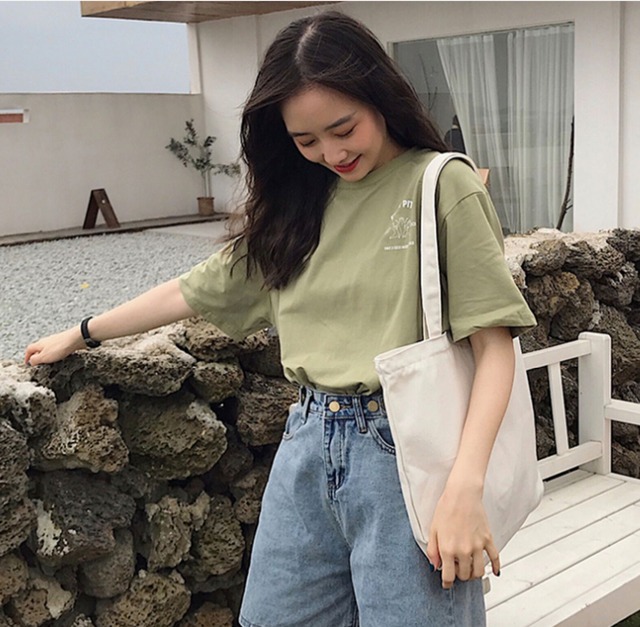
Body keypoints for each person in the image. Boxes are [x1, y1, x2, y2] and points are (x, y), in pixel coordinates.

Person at [25, 11, 536, 627]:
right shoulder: (300, 202)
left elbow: (494, 346)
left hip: (407, 450)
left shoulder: (440, 184)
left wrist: (464, 488)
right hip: (306, 442)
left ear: (379, 97)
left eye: (344, 128)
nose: (332, 152)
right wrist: (82, 332)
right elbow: (193, 290)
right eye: (306, 140)